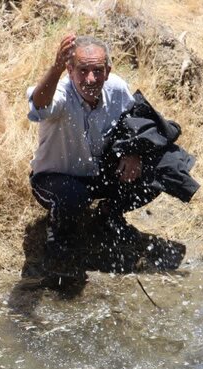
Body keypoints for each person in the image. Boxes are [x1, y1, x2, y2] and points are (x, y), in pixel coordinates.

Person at [26, 34, 161, 257]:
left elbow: (135, 120)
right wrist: (55, 67)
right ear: (70, 71)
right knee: (73, 196)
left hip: (96, 176)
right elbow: (39, 104)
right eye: (82, 71)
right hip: (54, 180)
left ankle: (109, 214)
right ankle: (58, 230)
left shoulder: (116, 89)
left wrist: (133, 152)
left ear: (108, 71)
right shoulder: (60, 93)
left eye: (98, 71)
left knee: (160, 170)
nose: (90, 79)